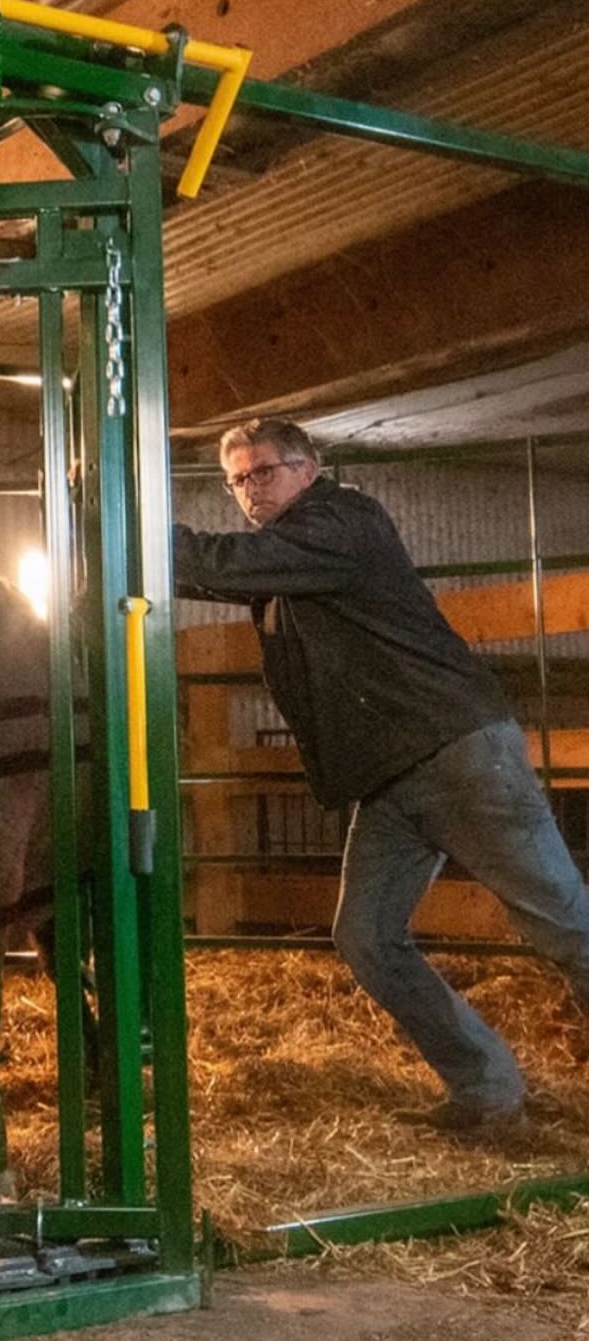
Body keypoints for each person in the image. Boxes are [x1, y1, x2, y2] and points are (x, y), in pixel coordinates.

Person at [173, 416, 589, 1131]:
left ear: (308, 467)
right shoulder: (287, 562)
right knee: (366, 935)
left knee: (561, 922)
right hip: (393, 777)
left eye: (263, 471)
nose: (249, 490)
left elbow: (219, 562)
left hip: (457, 752)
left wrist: (131, 523)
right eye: (237, 479)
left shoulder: (341, 520)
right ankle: (487, 1089)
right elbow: (216, 569)